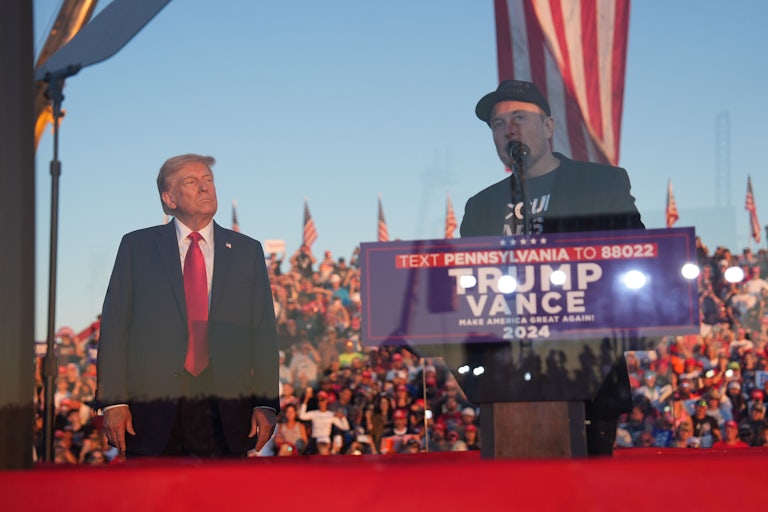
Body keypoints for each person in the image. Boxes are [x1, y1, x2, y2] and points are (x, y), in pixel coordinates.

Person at [460, 80, 645, 456]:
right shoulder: (481, 206)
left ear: (548, 127)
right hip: (505, 381)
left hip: (587, 373)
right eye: (497, 124)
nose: (508, 128)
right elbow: (468, 285)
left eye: (520, 117)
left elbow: (637, 255)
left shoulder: (600, 183)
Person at [96, 154, 279, 458]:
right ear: (169, 199)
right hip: (152, 410)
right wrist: (114, 401)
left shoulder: (248, 251)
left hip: (227, 410)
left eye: (208, 180)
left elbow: (263, 332)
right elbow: (115, 325)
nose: (205, 187)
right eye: (192, 182)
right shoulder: (136, 247)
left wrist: (265, 402)